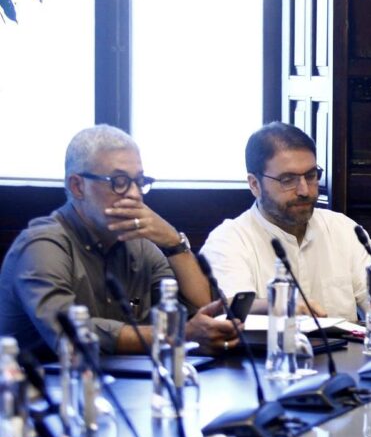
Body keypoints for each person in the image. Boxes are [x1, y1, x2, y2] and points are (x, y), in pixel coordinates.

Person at [0, 125, 237, 357]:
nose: (134, 194)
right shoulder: (42, 245)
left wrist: (174, 243)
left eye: (139, 181)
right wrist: (178, 334)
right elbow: (72, 334)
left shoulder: (140, 246)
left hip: (123, 386)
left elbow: (203, 311)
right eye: (119, 181)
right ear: (77, 186)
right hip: (41, 390)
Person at [200, 122, 371, 321]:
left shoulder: (344, 229)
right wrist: (282, 305)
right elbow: (231, 307)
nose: (304, 190)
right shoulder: (229, 239)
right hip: (269, 363)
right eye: (287, 179)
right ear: (255, 185)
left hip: (346, 363)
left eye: (310, 175)